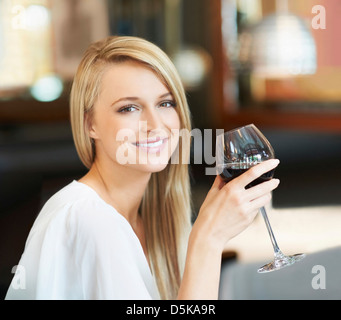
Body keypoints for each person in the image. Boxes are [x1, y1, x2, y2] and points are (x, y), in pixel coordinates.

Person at [5, 36, 279, 300]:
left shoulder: (148, 219)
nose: (156, 125)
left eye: (165, 103)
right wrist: (209, 239)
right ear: (91, 124)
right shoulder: (89, 219)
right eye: (128, 108)